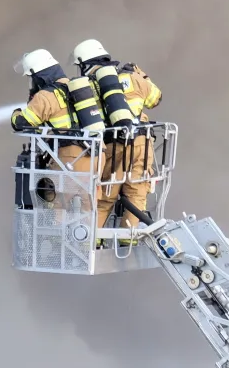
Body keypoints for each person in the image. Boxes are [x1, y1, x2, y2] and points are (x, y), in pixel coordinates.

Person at [68, 39, 162, 240]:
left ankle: (92, 241)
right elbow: (156, 99)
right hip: (142, 144)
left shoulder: (89, 86)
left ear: (85, 64)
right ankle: (128, 240)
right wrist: (142, 75)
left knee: (105, 195)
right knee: (136, 193)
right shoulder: (133, 77)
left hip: (114, 145)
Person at [10, 47, 106, 182]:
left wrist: (16, 112)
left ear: (38, 76)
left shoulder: (45, 96)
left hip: (71, 159)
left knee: (53, 195)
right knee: (95, 195)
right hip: (97, 155)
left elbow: (20, 123)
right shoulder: (75, 87)